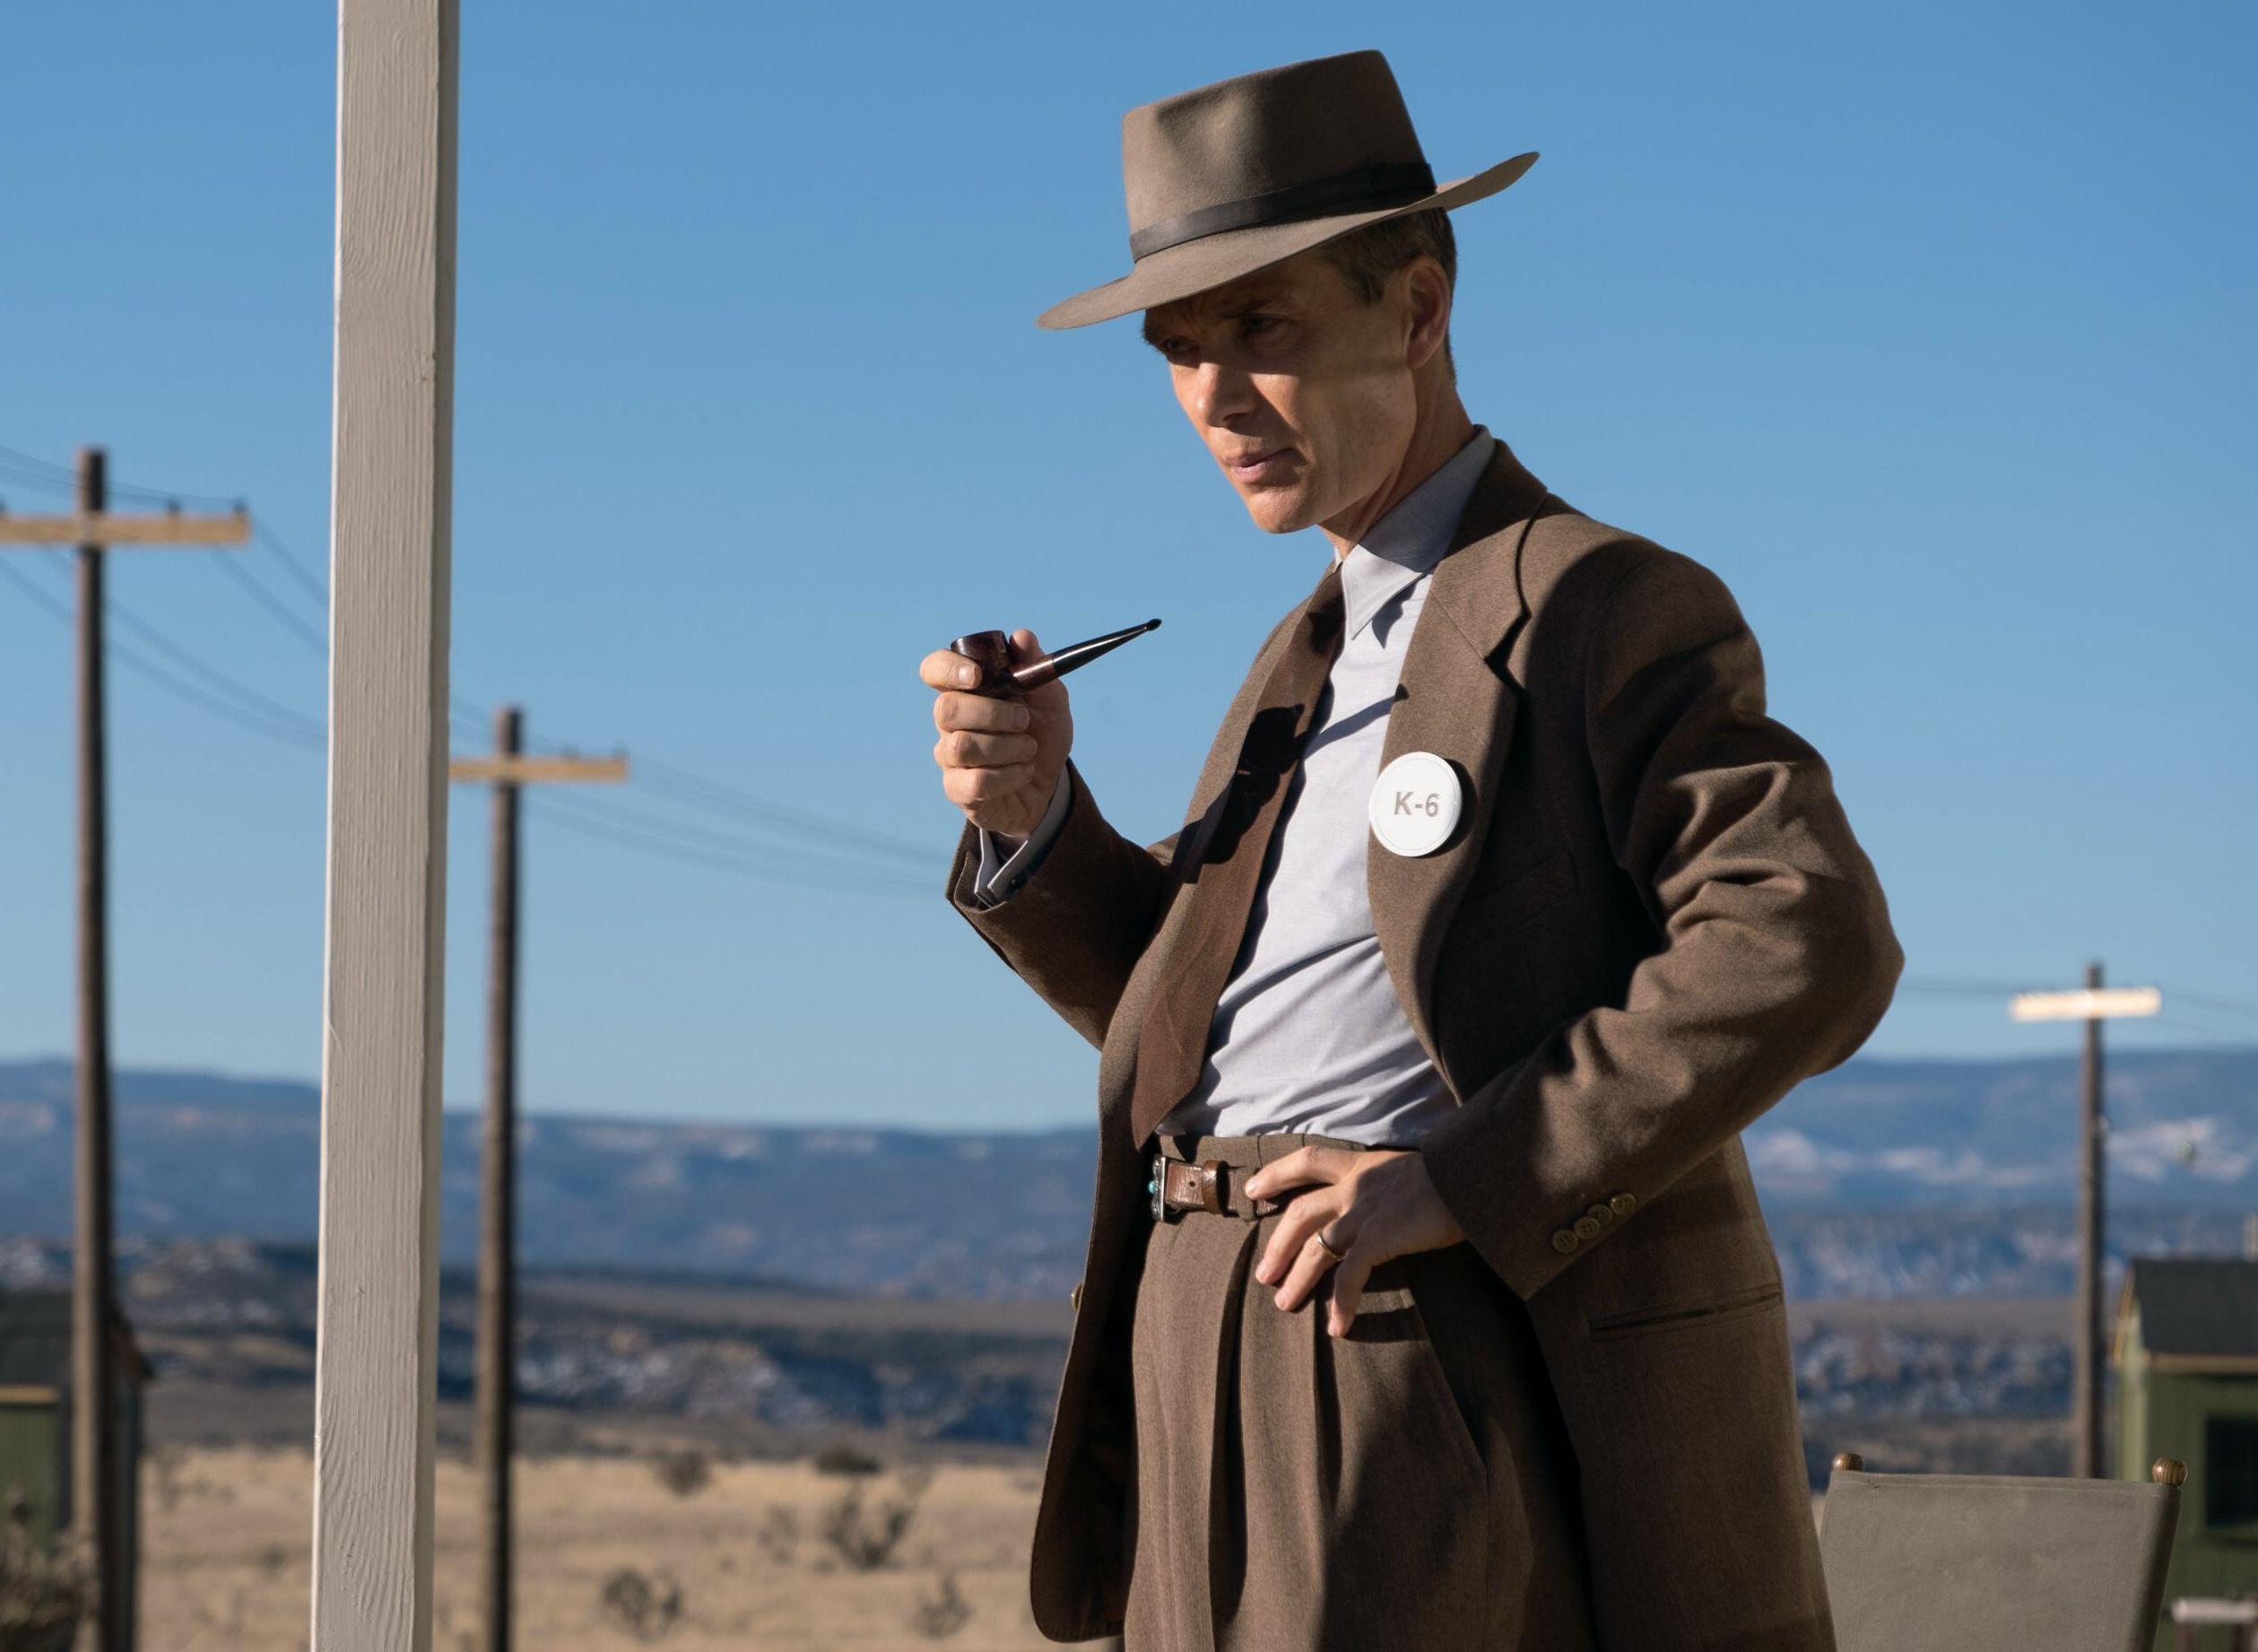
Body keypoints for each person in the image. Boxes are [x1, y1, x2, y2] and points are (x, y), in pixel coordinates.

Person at [918, 48, 1902, 1652]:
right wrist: (1036, 824)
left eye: (1263, 329)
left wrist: (1466, 1176)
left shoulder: (1592, 602)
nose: (1214, 397)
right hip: (1198, 1321)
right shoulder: (1303, 650)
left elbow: (1803, 935)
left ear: (1419, 310)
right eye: (1179, 349)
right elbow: (1186, 1031)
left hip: (1389, 1334)